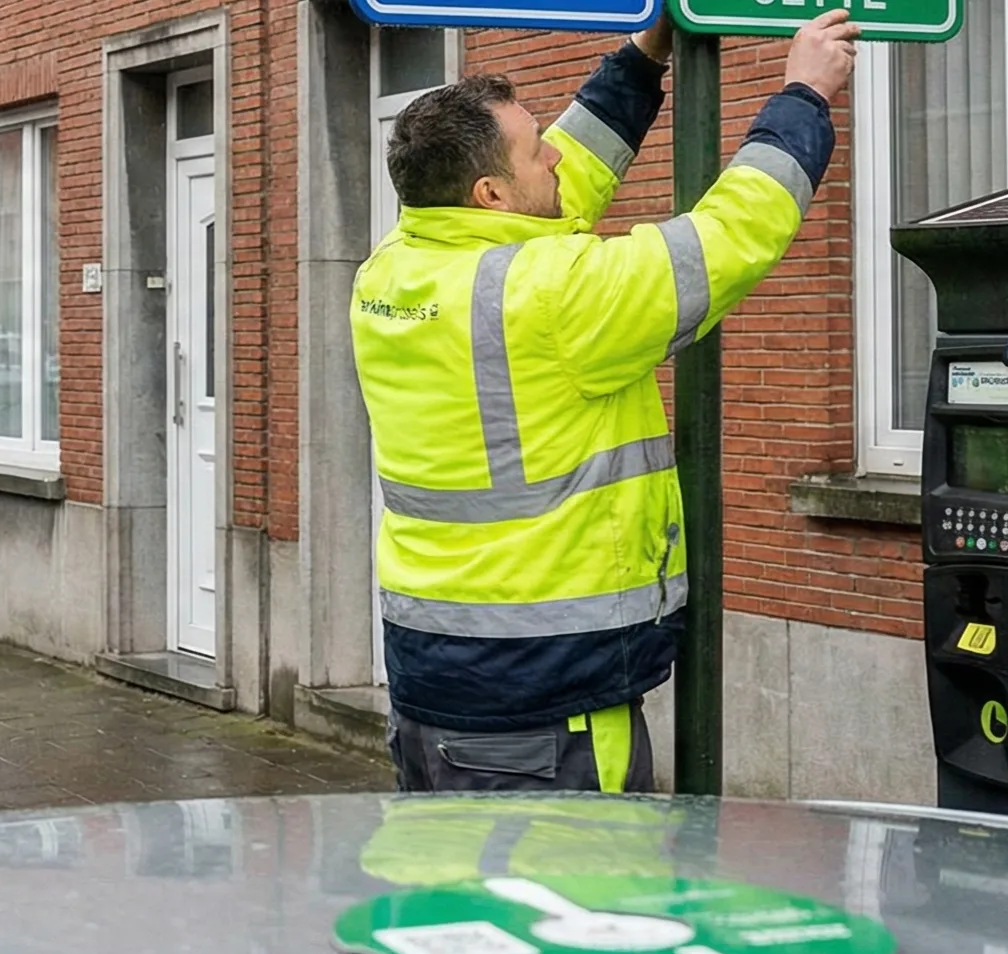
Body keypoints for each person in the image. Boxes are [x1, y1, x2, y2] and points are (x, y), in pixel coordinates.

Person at [352, 10, 861, 794]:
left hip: (438, 668)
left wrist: (644, 53)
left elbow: (569, 177)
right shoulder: (549, 298)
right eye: (536, 149)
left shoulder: (394, 266)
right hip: (545, 697)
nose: (555, 152)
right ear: (490, 194)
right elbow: (729, 237)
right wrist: (804, 95)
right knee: (586, 876)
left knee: (445, 872)